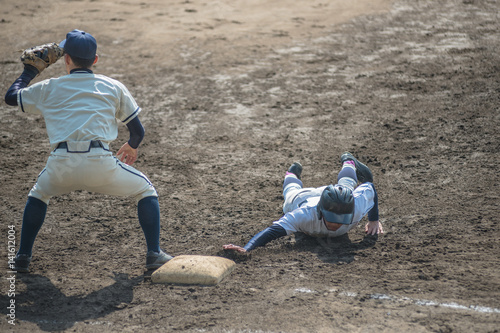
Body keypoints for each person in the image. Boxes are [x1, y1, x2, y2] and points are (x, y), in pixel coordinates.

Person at [4, 29, 173, 273]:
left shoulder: (49, 87)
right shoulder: (113, 86)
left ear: (66, 59)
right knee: (146, 190)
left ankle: (22, 257)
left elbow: (11, 98)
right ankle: (154, 253)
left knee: (38, 195)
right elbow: (138, 131)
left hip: (60, 166)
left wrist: (29, 71)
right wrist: (132, 146)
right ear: (95, 60)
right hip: (100, 164)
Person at [223, 152, 383, 253]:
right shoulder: (303, 215)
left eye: (342, 219)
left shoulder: (354, 206)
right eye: (332, 218)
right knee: (290, 194)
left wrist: (373, 219)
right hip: (303, 198)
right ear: (320, 213)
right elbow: (271, 232)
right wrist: (246, 248)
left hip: (332, 197)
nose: (337, 224)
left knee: (346, 187)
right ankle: (292, 173)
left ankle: (349, 162)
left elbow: (370, 188)